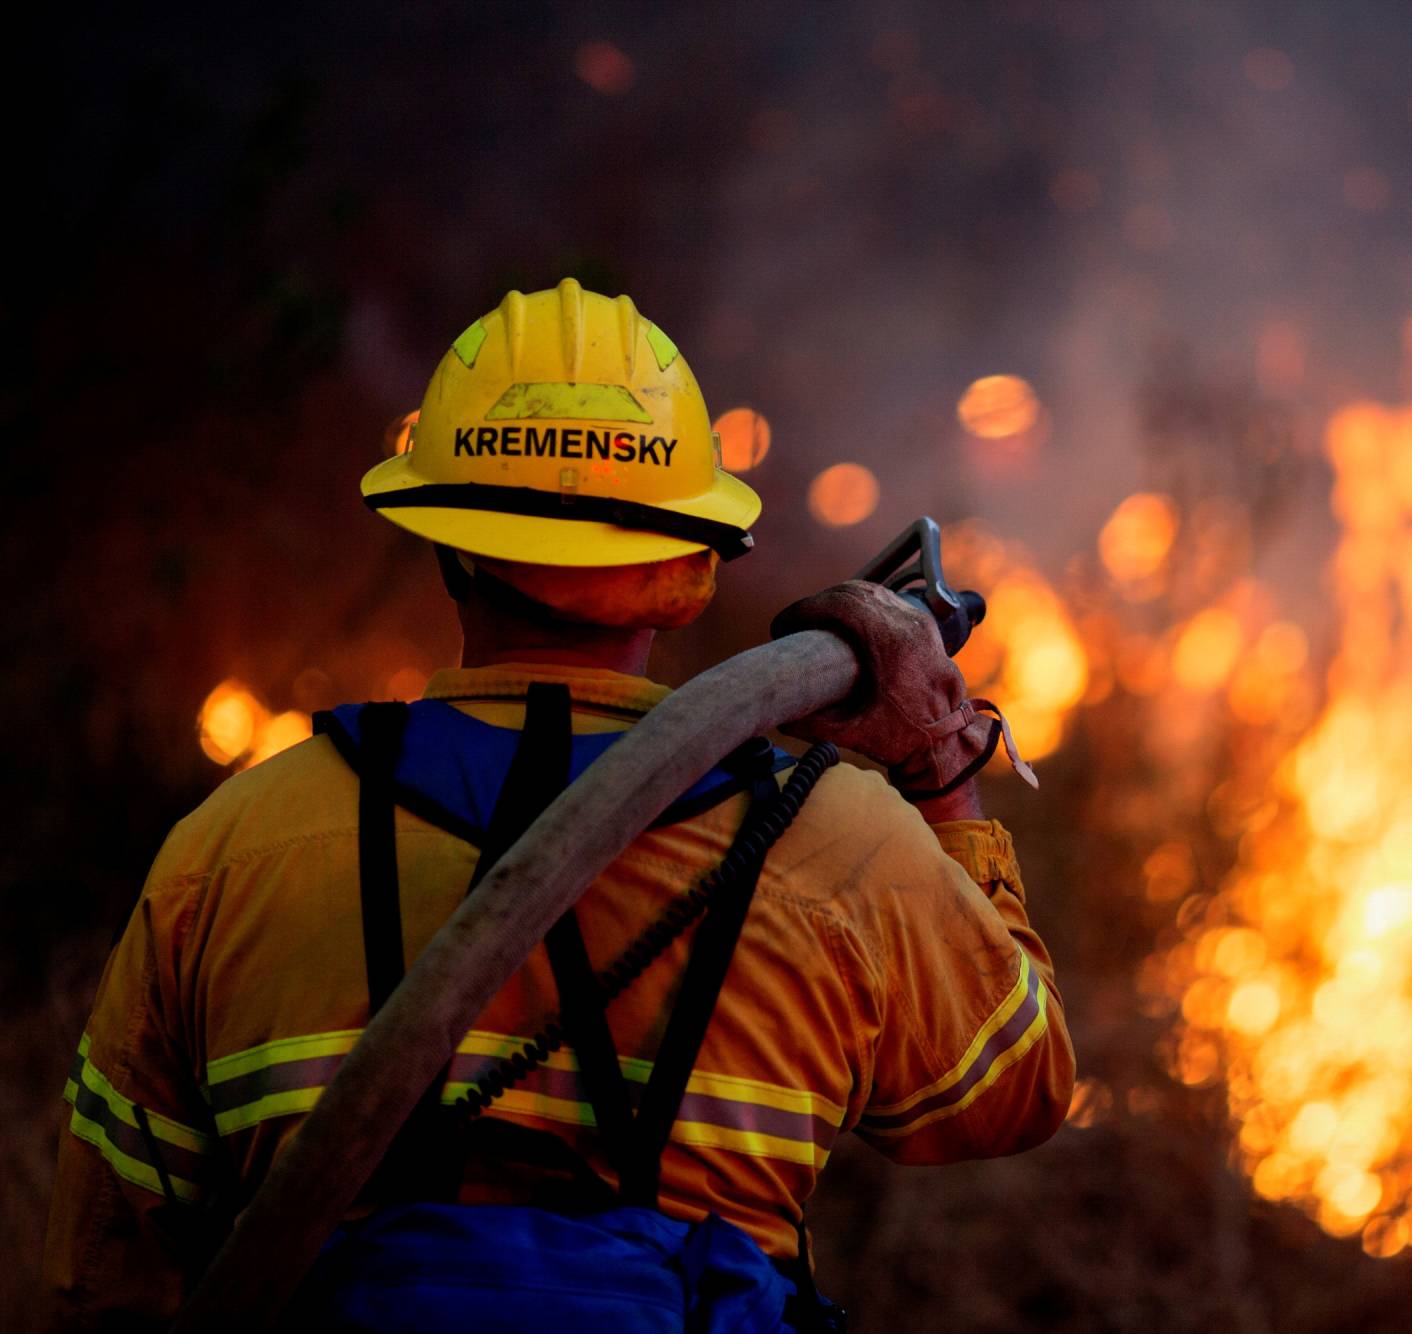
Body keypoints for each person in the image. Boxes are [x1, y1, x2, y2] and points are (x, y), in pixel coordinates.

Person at [45, 279, 1073, 1330]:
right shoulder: (841, 846)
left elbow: (107, 1267)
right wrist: (942, 764)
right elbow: (1014, 1087)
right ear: (692, 562)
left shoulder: (232, 848)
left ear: (445, 538)